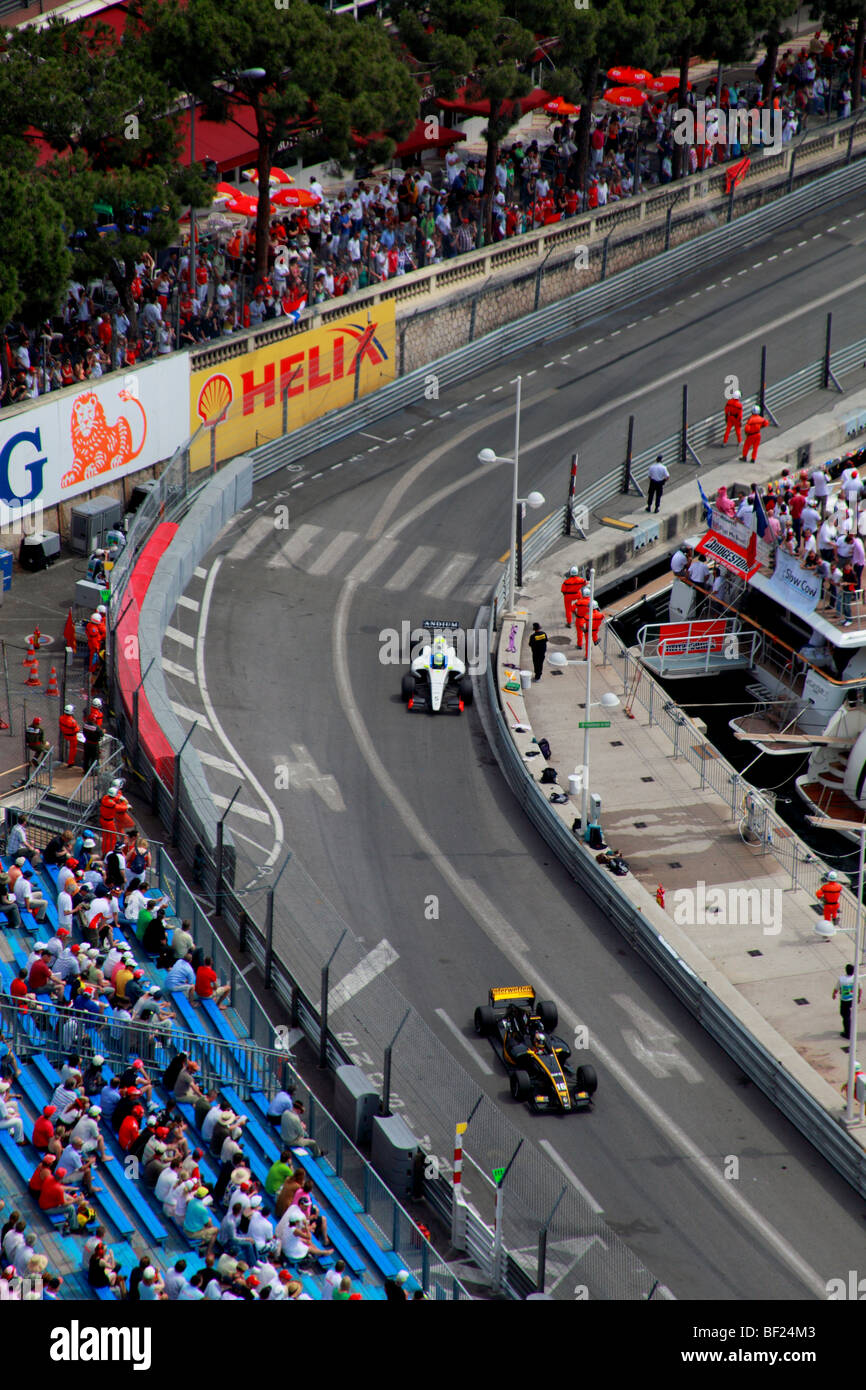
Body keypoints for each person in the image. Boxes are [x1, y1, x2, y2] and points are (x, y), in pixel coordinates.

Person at [833, 963, 861, 1041]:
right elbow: (860, 989)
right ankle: (849, 1029)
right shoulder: (856, 978)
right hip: (853, 999)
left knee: (845, 1016)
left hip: (845, 1000)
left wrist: (834, 994)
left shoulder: (842, 979)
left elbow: (836, 988)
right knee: (847, 1015)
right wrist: (859, 998)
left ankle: (847, 1032)